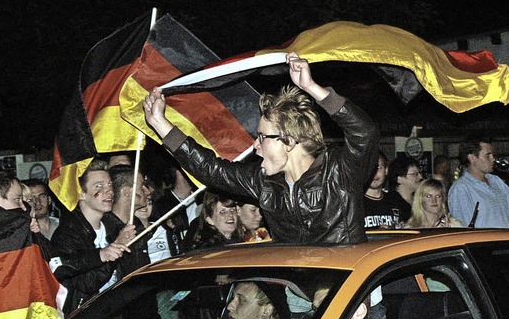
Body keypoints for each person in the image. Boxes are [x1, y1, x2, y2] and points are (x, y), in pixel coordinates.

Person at [143, 52, 379, 245]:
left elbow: (365, 132)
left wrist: (311, 87)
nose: (255, 145)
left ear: (288, 141)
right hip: (297, 292)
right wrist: (160, 124)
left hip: (348, 292)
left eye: (262, 137)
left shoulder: (340, 171)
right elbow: (211, 170)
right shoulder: (264, 181)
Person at [51, 160, 133, 314]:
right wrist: (112, 251)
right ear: (81, 194)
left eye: (109, 185)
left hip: (115, 312)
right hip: (85, 318)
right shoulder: (67, 234)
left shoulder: (114, 227)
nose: (109, 191)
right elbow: (86, 284)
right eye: (99, 187)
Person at [448, 135, 509, 228]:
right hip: (485, 242)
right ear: (472, 158)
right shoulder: (461, 188)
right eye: (488, 155)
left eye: (492, 155)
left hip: (506, 241)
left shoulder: (496, 181)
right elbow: (464, 229)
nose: (493, 159)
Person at [363, 151, 403, 229]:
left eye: (379, 168)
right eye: (369, 168)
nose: (374, 173)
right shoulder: (355, 204)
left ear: (386, 170)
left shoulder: (395, 200)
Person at [387, 155, 422, 223]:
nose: (420, 177)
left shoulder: (421, 200)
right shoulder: (390, 204)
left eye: (419, 173)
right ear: (399, 179)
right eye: (414, 174)